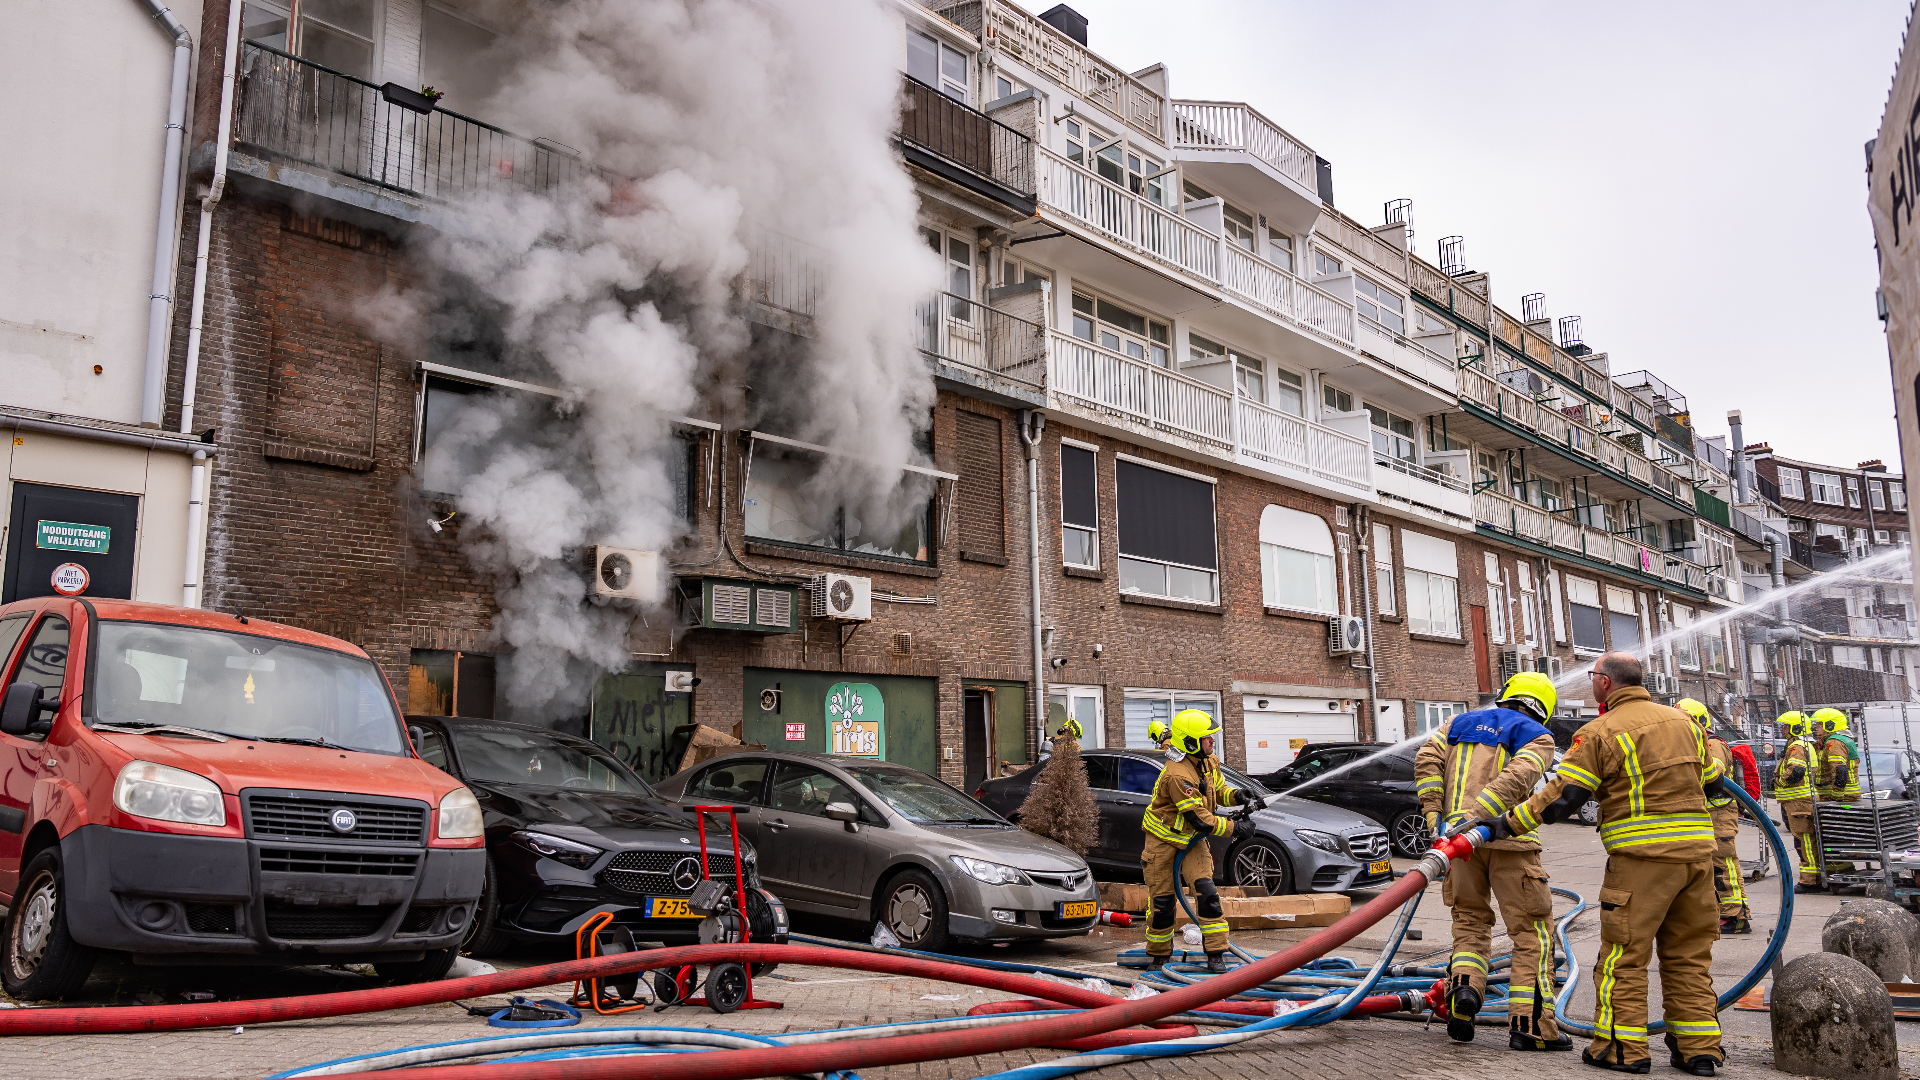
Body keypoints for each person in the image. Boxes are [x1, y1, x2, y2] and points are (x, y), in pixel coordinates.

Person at [1482, 653, 1726, 1076]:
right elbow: (1713, 778)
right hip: (1698, 861)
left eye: (1594, 677)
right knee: (1689, 956)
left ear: (1606, 683)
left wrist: (1504, 824)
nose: (1591, 682)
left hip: (1642, 863)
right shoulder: (1684, 723)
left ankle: (1620, 1049)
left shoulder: (1601, 731)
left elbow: (1561, 799)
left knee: (1623, 957)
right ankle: (1699, 1051)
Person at [1413, 671, 1568, 1051]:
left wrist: (1438, 819)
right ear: (1543, 707)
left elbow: (1425, 763)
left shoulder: (1457, 723)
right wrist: (1481, 819)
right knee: (1532, 934)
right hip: (1512, 846)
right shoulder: (1537, 734)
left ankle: (1463, 997)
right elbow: (1518, 778)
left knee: (1469, 924)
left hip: (1458, 848)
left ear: (1506, 695)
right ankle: (1531, 1028)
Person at [1141, 709, 1255, 974]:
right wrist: (1236, 828)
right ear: (1190, 742)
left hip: (1192, 841)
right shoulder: (1177, 774)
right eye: (1207, 738)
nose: (1212, 741)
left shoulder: (1208, 761)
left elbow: (1217, 792)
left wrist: (1237, 794)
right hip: (1163, 841)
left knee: (1207, 893)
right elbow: (1200, 819)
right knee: (1162, 903)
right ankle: (1159, 957)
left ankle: (1216, 954)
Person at [1677, 699, 1749, 934]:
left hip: (1719, 815)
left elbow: (1712, 774)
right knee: (1710, 868)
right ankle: (1722, 912)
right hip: (1707, 815)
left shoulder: (1713, 745)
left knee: (1724, 865)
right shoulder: (1695, 745)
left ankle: (1736, 916)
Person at [1773, 711, 1821, 892]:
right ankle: (1811, 877)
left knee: (1805, 840)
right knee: (1803, 839)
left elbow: (1796, 771)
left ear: (1796, 727)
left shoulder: (1797, 747)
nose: (1783, 730)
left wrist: (1779, 782)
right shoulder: (1799, 745)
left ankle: (1809, 881)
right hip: (1798, 801)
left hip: (1800, 801)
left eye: (1785, 726)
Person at [1813, 707, 1861, 878]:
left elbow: (1839, 770)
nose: (1815, 727)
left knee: (1832, 836)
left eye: (1819, 724)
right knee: (1835, 835)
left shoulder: (1834, 743)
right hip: (1841, 795)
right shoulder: (1837, 740)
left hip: (1840, 796)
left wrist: (1836, 796)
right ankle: (1841, 868)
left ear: (1830, 725)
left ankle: (1840, 870)